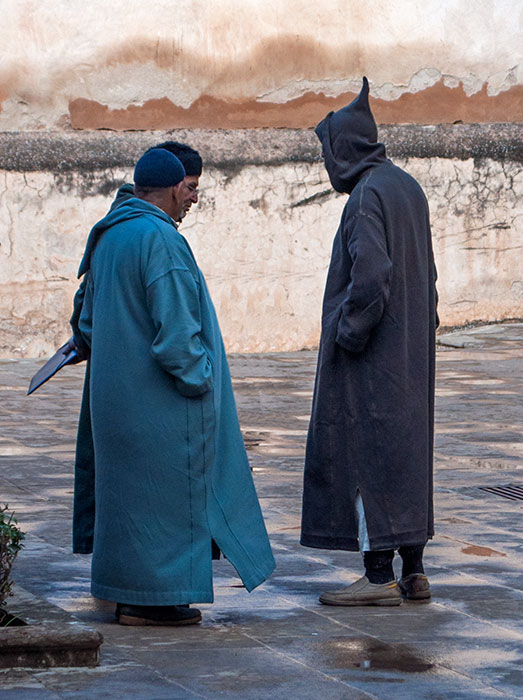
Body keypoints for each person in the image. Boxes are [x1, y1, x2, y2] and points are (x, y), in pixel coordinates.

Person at [70, 148, 275, 625]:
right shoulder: (161, 240)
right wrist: (202, 380)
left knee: (129, 505)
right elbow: (178, 337)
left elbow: (86, 322)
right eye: (189, 189)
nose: (192, 199)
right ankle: (155, 601)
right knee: (167, 503)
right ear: (170, 189)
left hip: (114, 400)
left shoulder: (109, 234)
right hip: (159, 404)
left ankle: (128, 594)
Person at [300, 78, 438, 606]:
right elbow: (426, 275)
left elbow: (372, 276)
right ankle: (415, 570)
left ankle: (378, 575)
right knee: (406, 454)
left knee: (367, 455)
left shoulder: (365, 198)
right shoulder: (407, 187)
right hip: (410, 352)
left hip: (372, 357)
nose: (327, 165)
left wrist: (349, 333)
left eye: (328, 153)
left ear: (345, 150)